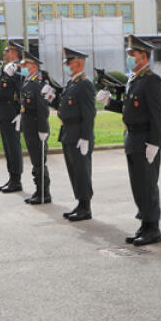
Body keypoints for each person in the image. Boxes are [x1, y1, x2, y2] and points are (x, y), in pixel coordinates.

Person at [99, 35, 161, 245]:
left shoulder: (151, 80)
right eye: (128, 54)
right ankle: (144, 224)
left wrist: (154, 142)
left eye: (132, 54)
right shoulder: (134, 79)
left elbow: (157, 115)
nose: (128, 58)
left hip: (145, 140)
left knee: (148, 184)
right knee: (138, 185)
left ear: (143, 56)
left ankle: (153, 228)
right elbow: (129, 110)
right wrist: (109, 102)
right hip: (131, 137)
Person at [49, 48, 96, 221]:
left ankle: (86, 207)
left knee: (82, 171)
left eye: (69, 63)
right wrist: (50, 99)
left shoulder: (85, 84)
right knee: (74, 171)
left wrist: (85, 136)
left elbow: (89, 113)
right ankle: (80, 203)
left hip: (78, 135)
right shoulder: (72, 83)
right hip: (68, 132)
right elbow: (63, 108)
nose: (67, 66)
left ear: (78, 63)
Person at [0, 40, 25, 193]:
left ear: (14, 53)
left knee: (14, 146)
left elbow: (24, 89)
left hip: (12, 111)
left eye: (6, 50)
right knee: (7, 147)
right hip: (3, 110)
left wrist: (21, 113)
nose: (3, 53)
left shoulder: (19, 69)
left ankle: (17, 180)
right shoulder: (7, 68)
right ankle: (11, 177)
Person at [18, 50, 53, 205]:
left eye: (26, 64)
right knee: (35, 160)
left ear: (33, 66)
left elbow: (43, 109)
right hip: (29, 124)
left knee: (39, 160)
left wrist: (43, 129)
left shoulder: (37, 83)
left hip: (36, 126)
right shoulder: (28, 81)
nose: (23, 66)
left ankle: (44, 194)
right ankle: (39, 191)